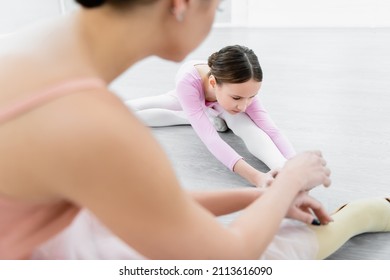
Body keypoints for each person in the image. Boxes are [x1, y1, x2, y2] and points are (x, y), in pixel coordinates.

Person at [0, 0, 389, 260]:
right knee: (279, 248)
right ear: (182, 4)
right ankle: (365, 214)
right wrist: (289, 180)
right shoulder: (92, 121)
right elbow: (228, 256)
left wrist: (258, 195)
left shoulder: (26, 57)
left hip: (69, 235)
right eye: (217, 5)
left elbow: (148, 201)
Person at [126, 45, 295, 188]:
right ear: (214, 84)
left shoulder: (243, 87)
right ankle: (194, 118)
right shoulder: (188, 85)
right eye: (237, 98)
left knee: (246, 126)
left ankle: (283, 167)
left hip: (220, 99)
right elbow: (211, 139)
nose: (244, 106)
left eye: (252, 96)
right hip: (192, 95)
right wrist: (256, 177)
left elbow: (271, 129)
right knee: (144, 110)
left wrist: (295, 165)